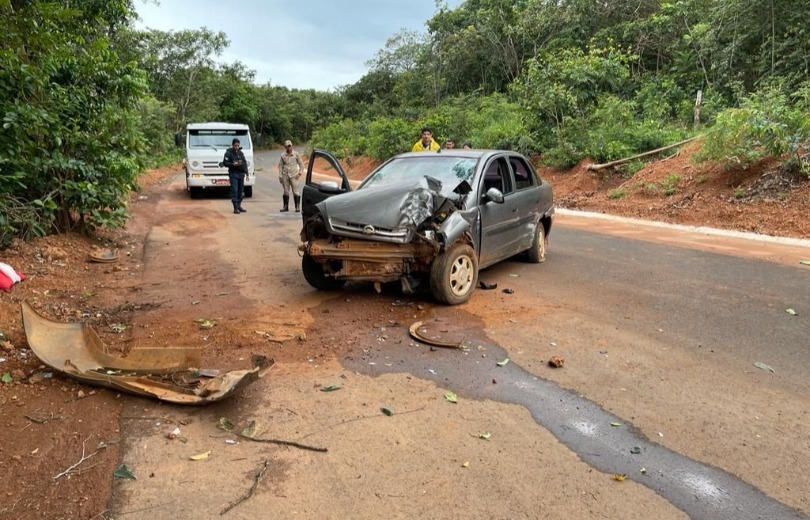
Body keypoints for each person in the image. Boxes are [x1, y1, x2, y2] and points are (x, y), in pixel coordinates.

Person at [278, 139, 305, 212]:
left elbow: (301, 164)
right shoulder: (283, 155)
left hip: (294, 175)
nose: (289, 148)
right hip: (285, 175)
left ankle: (297, 206)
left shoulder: (296, 154)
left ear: (291, 146)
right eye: (287, 146)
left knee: (295, 191)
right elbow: (280, 165)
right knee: (286, 191)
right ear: (285, 147)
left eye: (290, 146)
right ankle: (285, 206)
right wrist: (280, 175)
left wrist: (300, 173)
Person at [222, 138, 248, 214]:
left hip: (241, 174)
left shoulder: (240, 153)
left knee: (241, 191)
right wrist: (233, 164)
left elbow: (244, 162)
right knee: (235, 191)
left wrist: (246, 172)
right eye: (235, 145)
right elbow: (225, 163)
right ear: (232, 145)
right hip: (233, 173)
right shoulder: (228, 152)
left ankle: (239, 205)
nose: (237, 147)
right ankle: (235, 207)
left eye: (238, 145)